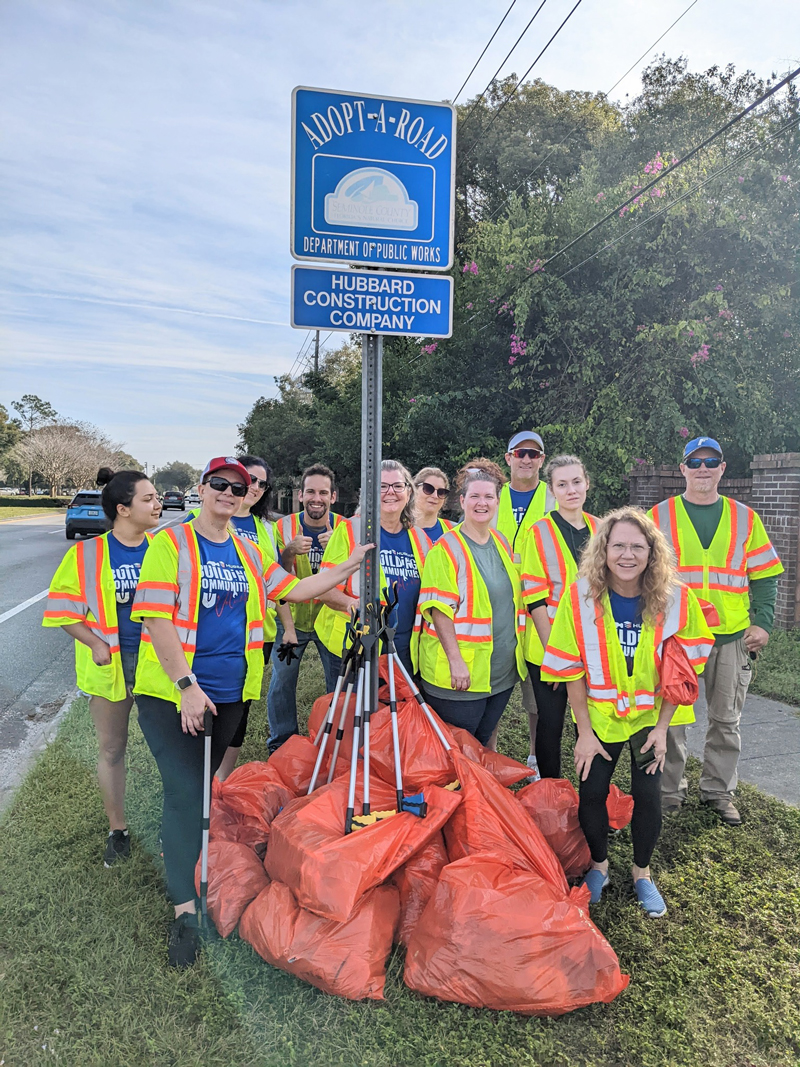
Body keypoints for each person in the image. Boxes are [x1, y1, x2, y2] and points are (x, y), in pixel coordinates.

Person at [131, 456, 371, 968]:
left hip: (232, 693)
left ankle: (191, 865)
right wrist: (186, 685)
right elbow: (155, 618)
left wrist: (349, 567)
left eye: (237, 488)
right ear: (201, 489)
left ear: (245, 498)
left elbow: (296, 588)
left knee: (201, 793)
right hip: (175, 695)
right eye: (218, 484)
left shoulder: (246, 549)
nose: (228, 493)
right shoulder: (169, 545)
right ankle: (184, 912)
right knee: (185, 796)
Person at [541, 507, 713, 917]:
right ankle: (599, 866)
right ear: (603, 550)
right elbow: (571, 669)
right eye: (618, 544)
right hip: (599, 719)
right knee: (592, 794)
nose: (627, 554)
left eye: (638, 546)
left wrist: (662, 729)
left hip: (648, 722)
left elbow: (680, 670)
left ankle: (642, 873)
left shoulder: (674, 600)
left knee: (649, 798)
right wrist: (583, 731)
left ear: (652, 553)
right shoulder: (581, 596)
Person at [650, 436, 783, 825]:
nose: (703, 468)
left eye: (712, 462)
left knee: (726, 720)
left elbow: (765, 575)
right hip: (677, 637)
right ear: (683, 469)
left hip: (730, 637)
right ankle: (668, 792)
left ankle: (718, 792)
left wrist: (764, 622)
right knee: (671, 720)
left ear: (723, 468)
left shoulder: (745, 518)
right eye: (695, 462)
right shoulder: (659, 516)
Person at [42, 468, 162, 866]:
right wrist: (94, 642)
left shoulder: (167, 549)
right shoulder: (87, 553)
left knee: (170, 748)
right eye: (148, 499)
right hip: (110, 664)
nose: (158, 503)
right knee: (112, 749)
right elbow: (62, 609)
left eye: (156, 497)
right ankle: (118, 830)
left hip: (157, 663)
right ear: (123, 509)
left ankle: (172, 824)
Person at [414, 469, 526, 745]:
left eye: (489, 496)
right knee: (455, 750)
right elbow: (439, 610)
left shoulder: (500, 542)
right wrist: (455, 661)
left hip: (498, 673)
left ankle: (479, 789)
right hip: (460, 676)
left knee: (483, 742)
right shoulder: (445, 548)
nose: (482, 502)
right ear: (462, 501)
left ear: (497, 502)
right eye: (474, 496)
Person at [521, 455, 598, 778]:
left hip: (593, 647)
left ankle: (591, 791)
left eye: (576, 482)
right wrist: (556, 657)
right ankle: (551, 790)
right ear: (552, 490)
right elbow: (535, 599)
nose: (571, 490)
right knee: (551, 724)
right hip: (547, 647)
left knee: (592, 722)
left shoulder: (602, 529)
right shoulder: (538, 532)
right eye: (562, 484)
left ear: (587, 484)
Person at [315, 460, 429, 675]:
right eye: (382, 486)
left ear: (409, 492)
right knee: (353, 708)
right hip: (354, 644)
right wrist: (352, 604)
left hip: (403, 646)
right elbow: (324, 587)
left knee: (396, 708)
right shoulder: (351, 529)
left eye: (398, 486)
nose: (390, 492)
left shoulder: (420, 538)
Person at [267, 464, 348, 753]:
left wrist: (336, 554)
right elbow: (277, 578)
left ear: (334, 496)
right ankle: (282, 744)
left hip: (331, 620)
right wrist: (288, 551)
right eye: (311, 491)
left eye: (323, 492)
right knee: (282, 682)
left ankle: (334, 743)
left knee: (338, 686)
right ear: (300, 495)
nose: (317, 498)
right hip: (293, 621)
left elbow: (350, 578)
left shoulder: (344, 528)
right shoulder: (283, 527)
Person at [496, 432, 554, 767]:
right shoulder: (493, 496)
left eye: (533, 454)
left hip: (538, 613)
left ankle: (533, 758)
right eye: (520, 453)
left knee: (536, 697)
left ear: (542, 460)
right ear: (508, 458)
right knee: (493, 691)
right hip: (497, 610)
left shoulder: (553, 498)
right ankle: (489, 755)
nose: (526, 459)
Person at [413, 466, 455, 543]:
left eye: (441, 492)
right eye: (428, 489)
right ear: (414, 490)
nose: (435, 496)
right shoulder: (397, 528)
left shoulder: (455, 531)